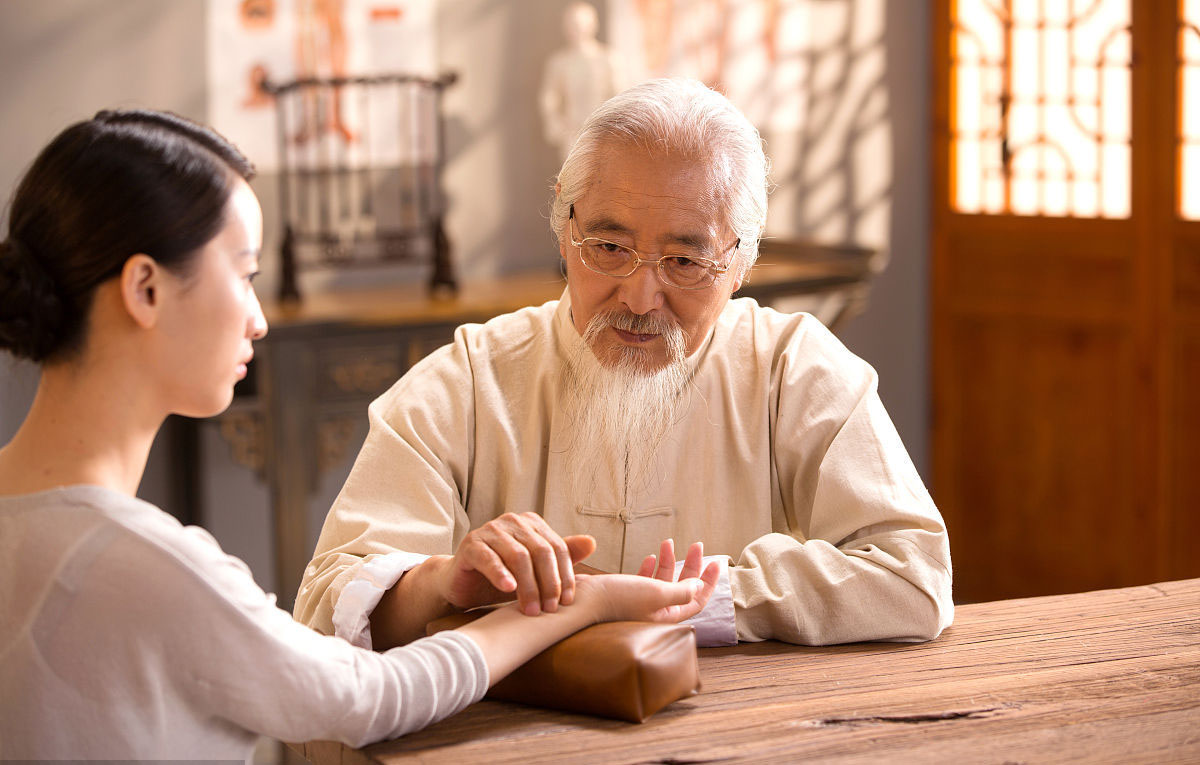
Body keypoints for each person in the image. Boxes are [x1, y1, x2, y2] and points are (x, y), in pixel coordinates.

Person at [0, 109, 718, 760]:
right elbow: (370, 697)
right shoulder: (146, 568)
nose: (258, 318)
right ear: (145, 289)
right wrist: (580, 603)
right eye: (244, 276)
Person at [295, 78, 953, 652]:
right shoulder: (467, 382)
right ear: (563, 225)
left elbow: (914, 575)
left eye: (685, 261)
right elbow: (325, 607)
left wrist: (713, 598)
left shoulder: (792, 370)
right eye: (609, 246)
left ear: (742, 262)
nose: (640, 296)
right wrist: (439, 581)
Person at [538, 1, 622, 161]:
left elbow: (620, 95)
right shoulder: (559, 62)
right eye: (571, 24)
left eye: (580, 24)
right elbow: (549, 98)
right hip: (572, 134)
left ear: (592, 25)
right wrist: (557, 125)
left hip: (602, 132)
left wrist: (612, 127)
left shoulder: (609, 59)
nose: (576, 30)